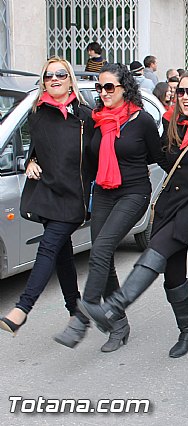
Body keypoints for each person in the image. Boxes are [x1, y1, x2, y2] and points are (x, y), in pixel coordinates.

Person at [78, 71, 188, 358]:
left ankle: (115, 305)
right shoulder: (171, 123)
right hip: (172, 202)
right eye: (181, 92)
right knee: (173, 275)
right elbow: (159, 155)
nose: (185, 97)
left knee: (157, 248)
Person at [55, 63, 167, 352]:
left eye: (109, 87)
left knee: (102, 249)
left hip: (133, 192)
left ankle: (84, 314)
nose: (103, 92)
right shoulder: (96, 119)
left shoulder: (141, 120)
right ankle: (119, 325)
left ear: (124, 88)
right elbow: (87, 160)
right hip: (103, 192)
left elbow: (162, 158)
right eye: (99, 87)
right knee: (102, 257)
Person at [0, 58, 94, 337]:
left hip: (75, 196)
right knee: (62, 254)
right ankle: (76, 311)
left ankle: (22, 309)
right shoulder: (37, 114)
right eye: (49, 75)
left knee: (48, 248)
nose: (54, 79)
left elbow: (99, 153)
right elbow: (37, 147)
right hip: (50, 193)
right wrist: (29, 161)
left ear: (69, 80)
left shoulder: (85, 116)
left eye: (61, 74)